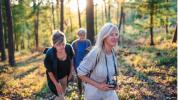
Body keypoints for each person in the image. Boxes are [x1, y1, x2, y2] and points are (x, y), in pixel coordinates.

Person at [77, 23, 119, 100]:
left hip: (109, 93)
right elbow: (80, 73)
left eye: (116, 34)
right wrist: (98, 85)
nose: (115, 37)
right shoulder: (95, 53)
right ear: (104, 36)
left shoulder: (114, 52)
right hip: (93, 94)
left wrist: (113, 83)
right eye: (111, 34)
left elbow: (109, 72)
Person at [44, 30, 74, 100]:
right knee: (61, 97)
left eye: (63, 44)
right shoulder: (50, 54)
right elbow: (50, 71)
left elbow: (71, 60)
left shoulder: (68, 48)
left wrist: (70, 73)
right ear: (54, 45)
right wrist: (56, 84)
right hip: (55, 76)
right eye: (58, 45)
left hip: (65, 75)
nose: (61, 47)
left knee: (62, 93)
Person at [71, 28, 91, 98]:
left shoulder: (88, 42)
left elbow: (90, 53)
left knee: (87, 79)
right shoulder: (74, 43)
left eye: (83, 35)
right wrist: (72, 66)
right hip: (77, 64)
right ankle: (80, 93)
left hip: (86, 64)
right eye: (80, 35)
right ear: (78, 35)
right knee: (79, 80)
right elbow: (72, 56)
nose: (82, 36)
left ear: (85, 35)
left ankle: (87, 94)